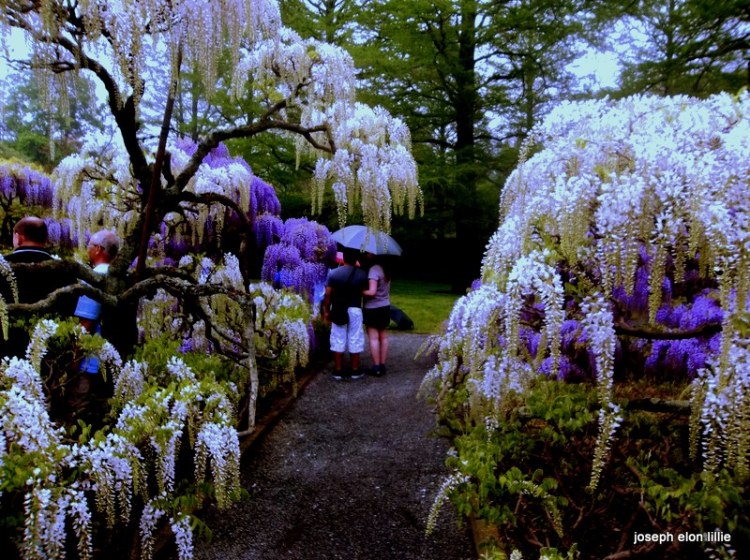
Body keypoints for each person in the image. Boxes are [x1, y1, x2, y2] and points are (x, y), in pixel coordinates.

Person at [0, 217, 76, 357]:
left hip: (6, 346)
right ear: (46, 239)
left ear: (18, 238)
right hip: (50, 349)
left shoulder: (4, 265)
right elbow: (69, 310)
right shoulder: (65, 270)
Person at [322, 249, 368, 380]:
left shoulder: (334, 273)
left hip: (338, 308)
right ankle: (355, 370)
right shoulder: (362, 274)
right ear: (356, 260)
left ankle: (338, 370)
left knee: (338, 337)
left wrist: (326, 311)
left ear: (343, 259)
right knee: (355, 337)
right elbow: (364, 293)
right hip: (355, 308)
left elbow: (328, 295)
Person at [362, 253, 392, 376]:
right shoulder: (387, 270)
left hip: (373, 308)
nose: (367, 253)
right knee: (383, 337)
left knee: (373, 338)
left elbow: (372, 292)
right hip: (385, 306)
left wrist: (360, 291)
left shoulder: (374, 270)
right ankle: (383, 365)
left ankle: (376, 366)